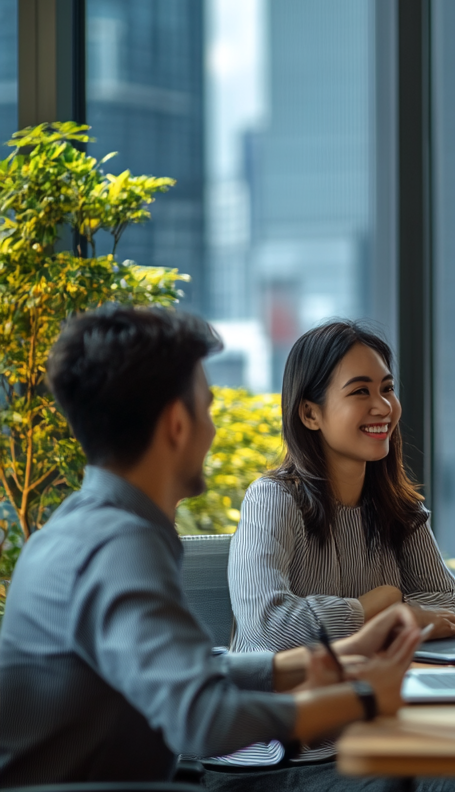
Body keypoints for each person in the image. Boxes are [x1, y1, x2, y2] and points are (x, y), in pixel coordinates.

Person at [0, 305, 422, 786]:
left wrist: (315, 661)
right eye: (207, 408)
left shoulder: (84, 528)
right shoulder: (120, 546)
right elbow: (200, 719)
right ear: (178, 424)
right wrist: (362, 698)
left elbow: (184, 670)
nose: (213, 429)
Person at [226, 321, 455, 766]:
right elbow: (270, 627)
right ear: (310, 413)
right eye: (359, 392)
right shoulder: (273, 499)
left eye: (387, 389)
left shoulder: (395, 505)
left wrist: (391, 617)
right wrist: (381, 606)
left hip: (373, 729)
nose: (383, 407)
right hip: (285, 754)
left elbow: (451, 604)